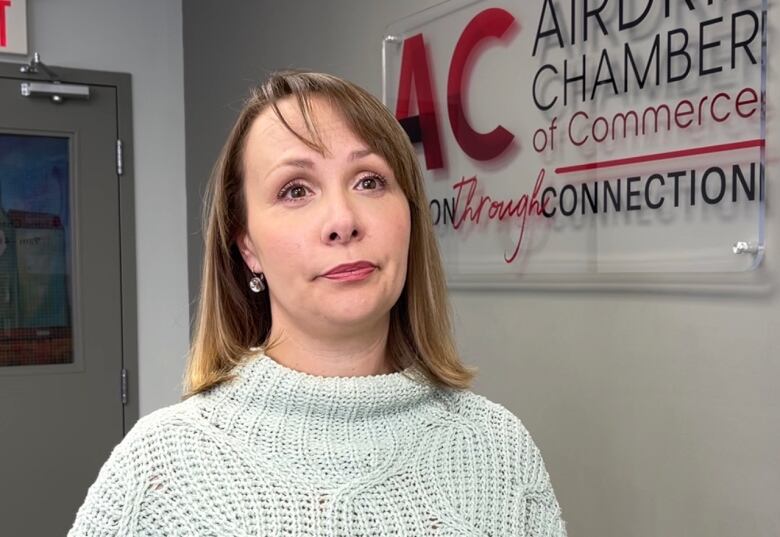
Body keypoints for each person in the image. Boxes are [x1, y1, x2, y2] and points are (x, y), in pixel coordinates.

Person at [68, 70, 567, 536]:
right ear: (247, 247)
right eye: (295, 190)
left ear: (409, 217)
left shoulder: (500, 450)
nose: (343, 219)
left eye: (370, 181)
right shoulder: (162, 469)